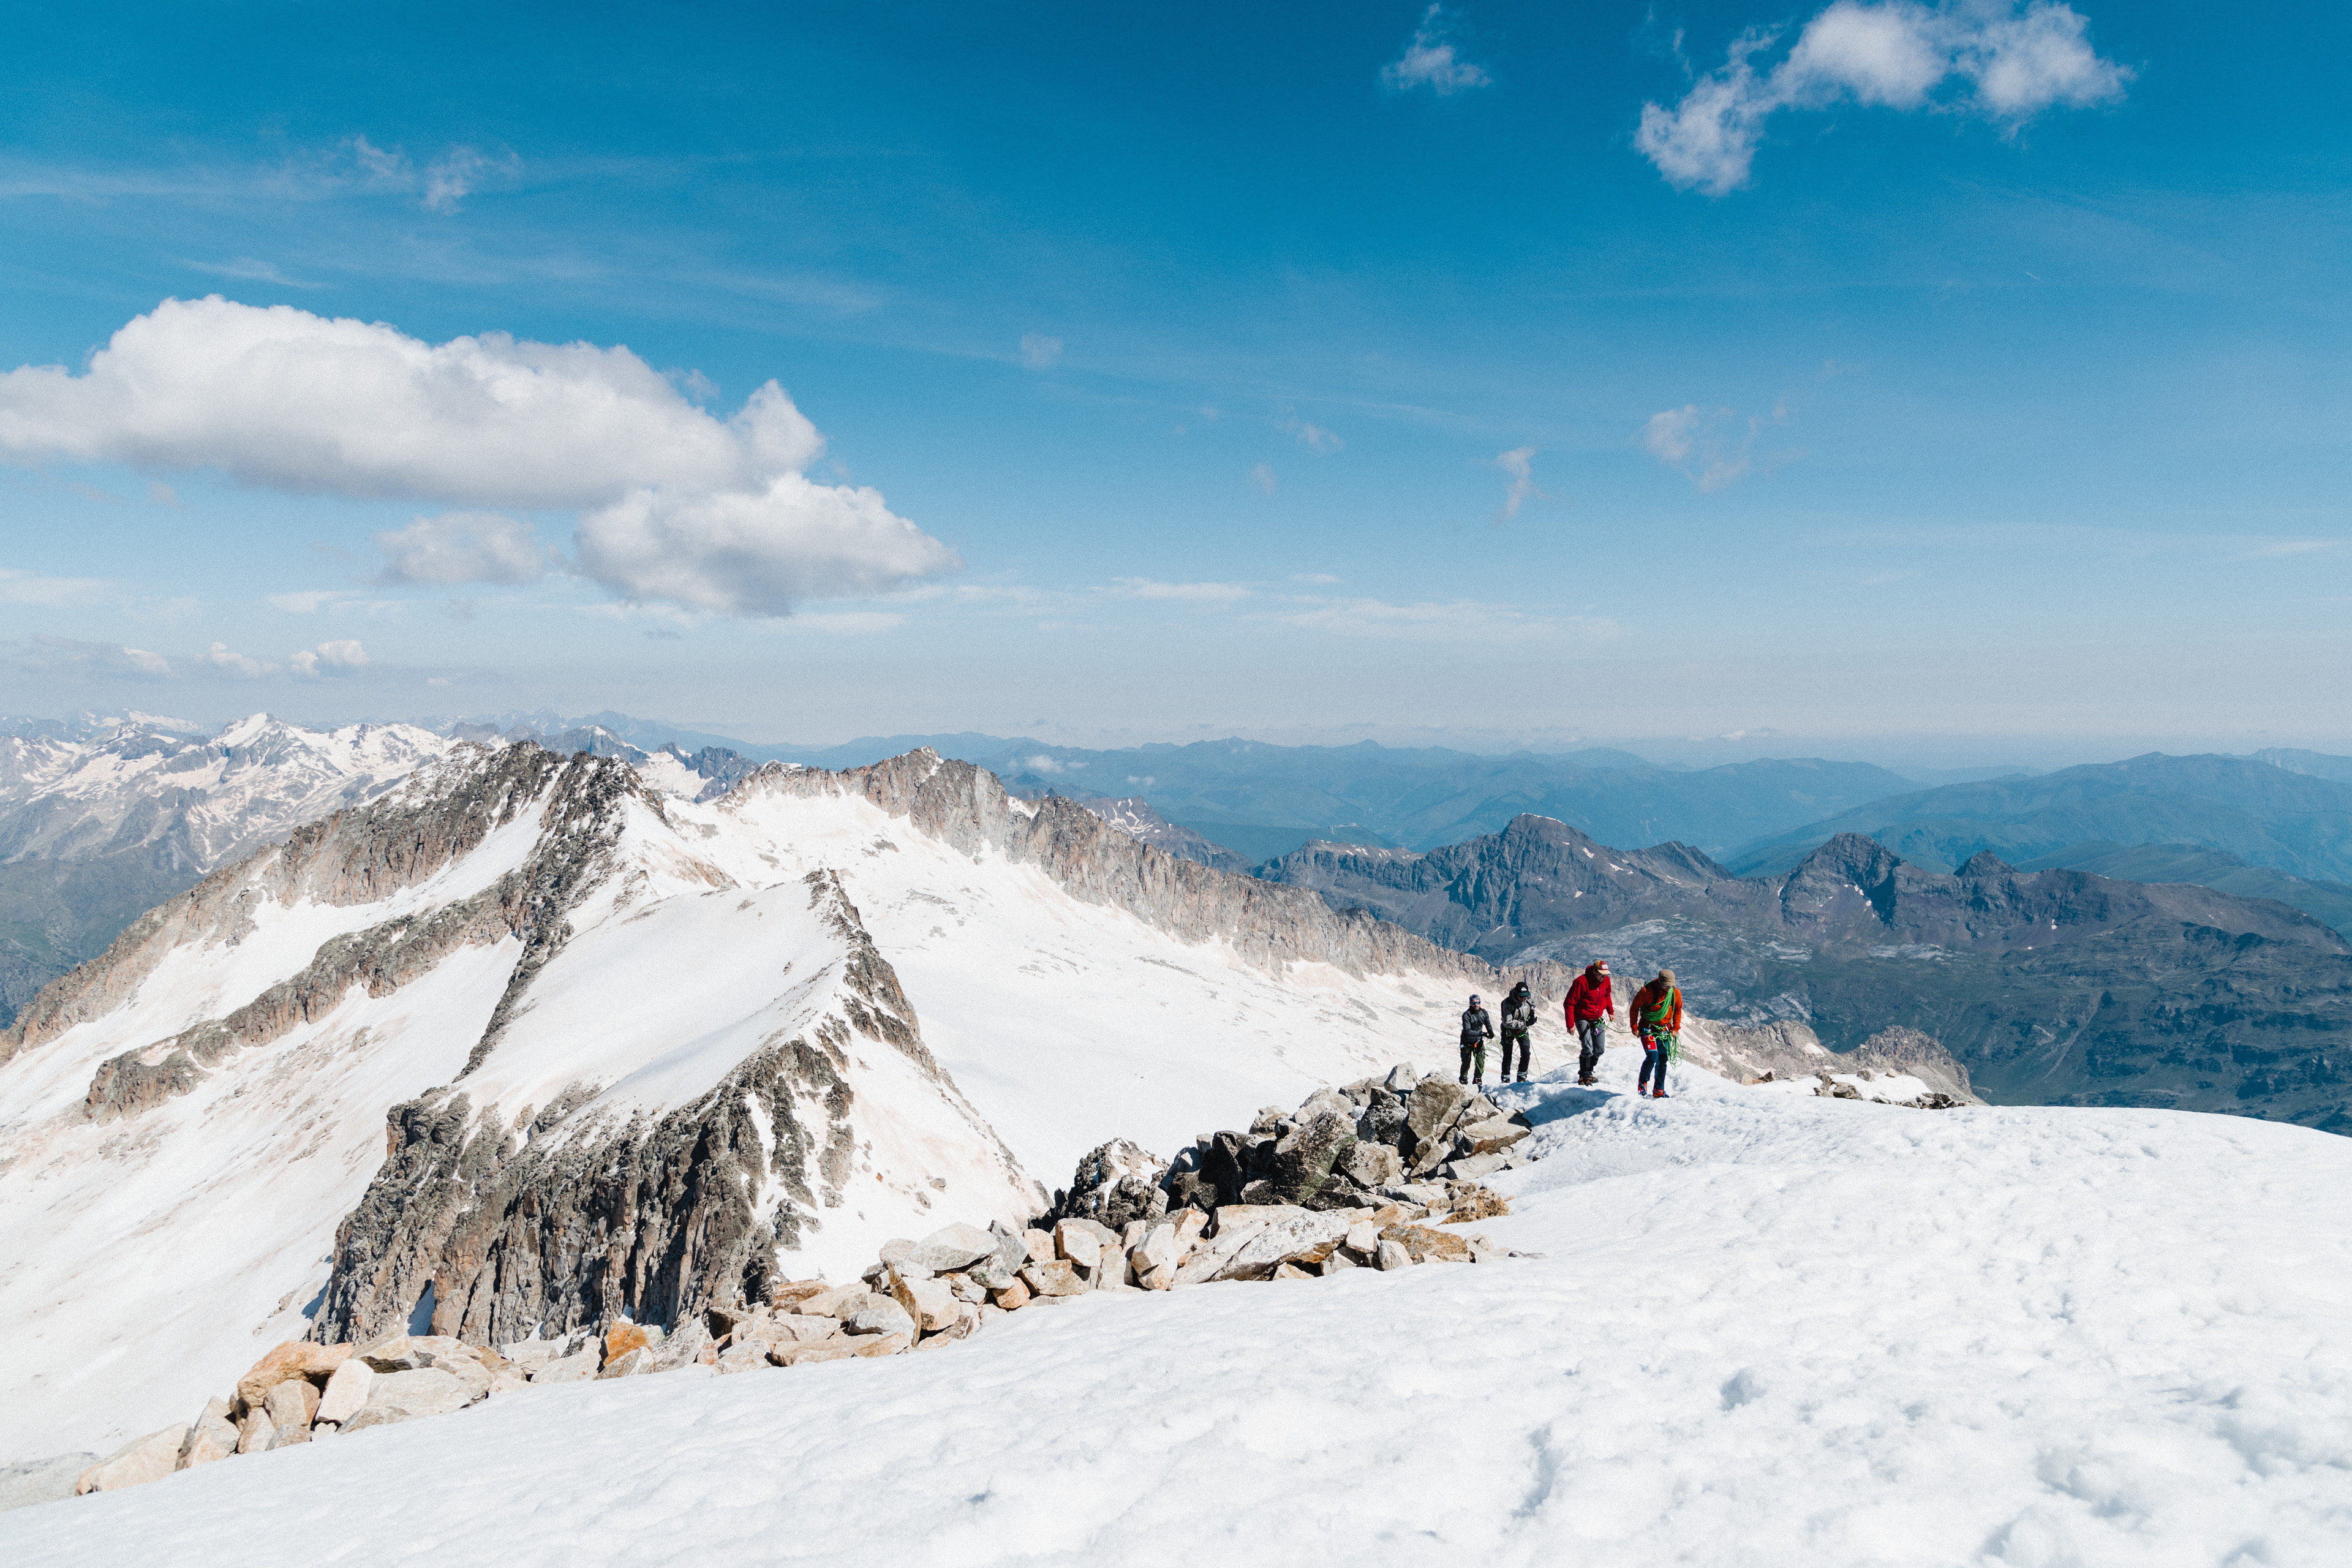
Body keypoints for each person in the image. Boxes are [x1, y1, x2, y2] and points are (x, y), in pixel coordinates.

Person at [1629, 968, 1683, 1099]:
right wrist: (1634, 1027)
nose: (1669, 988)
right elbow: (1634, 1008)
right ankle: (1643, 1083)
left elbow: (1678, 1010)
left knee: (1663, 1059)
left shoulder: (1675, 993)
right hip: (1647, 1028)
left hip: (1664, 1029)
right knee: (1653, 1057)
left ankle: (1659, 1089)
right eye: (1666, 986)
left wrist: (1675, 1028)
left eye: (1671, 986)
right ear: (1659, 981)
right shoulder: (1646, 991)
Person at [1563, 960, 1615, 1085]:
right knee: (1588, 1048)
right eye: (1601, 974)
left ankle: (1589, 1071)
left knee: (1599, 1049)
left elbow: (1607, 996)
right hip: (1582, 1018)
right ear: (1594, 971)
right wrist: (1570, 1024)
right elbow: (1569, 1003)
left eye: (1605, 974)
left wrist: (1610, 1011)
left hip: (1597, 1018)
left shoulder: (1606, 981)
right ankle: (1584, 1075)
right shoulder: (1581, 982)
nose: (1603, 977)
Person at [1498, 980, 1537, 1082]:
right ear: (1516, 993)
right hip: (1509, 1030)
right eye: (1521, 997)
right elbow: (1508, 1022)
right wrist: (1525, 1024)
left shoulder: (1528, 997)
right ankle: (1506, 1077)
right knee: (1508, 1054)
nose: (1523, 999)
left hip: (1522, 1029)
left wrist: (1532, 1011)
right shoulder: (1507, 1003)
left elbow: (1533, 999)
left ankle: (1522, 1076)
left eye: (1525, 997)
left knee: (1526, 1052)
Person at [1458, 992, 1494, 1085]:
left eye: (1478, 1003)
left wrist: (1490, 1032)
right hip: (1467, 1042)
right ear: (1470, 1003)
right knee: (1466, 1062)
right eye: (1474, 1003)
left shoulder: (1484, 1013)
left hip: (1478, 1041)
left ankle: (1478, 1079)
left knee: (1480, 1061)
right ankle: (1463, 1079)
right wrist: (1482, 1033)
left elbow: (1488, 1024)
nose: (1476, 1005)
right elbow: (1468, 1031)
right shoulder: (1467, 1015)